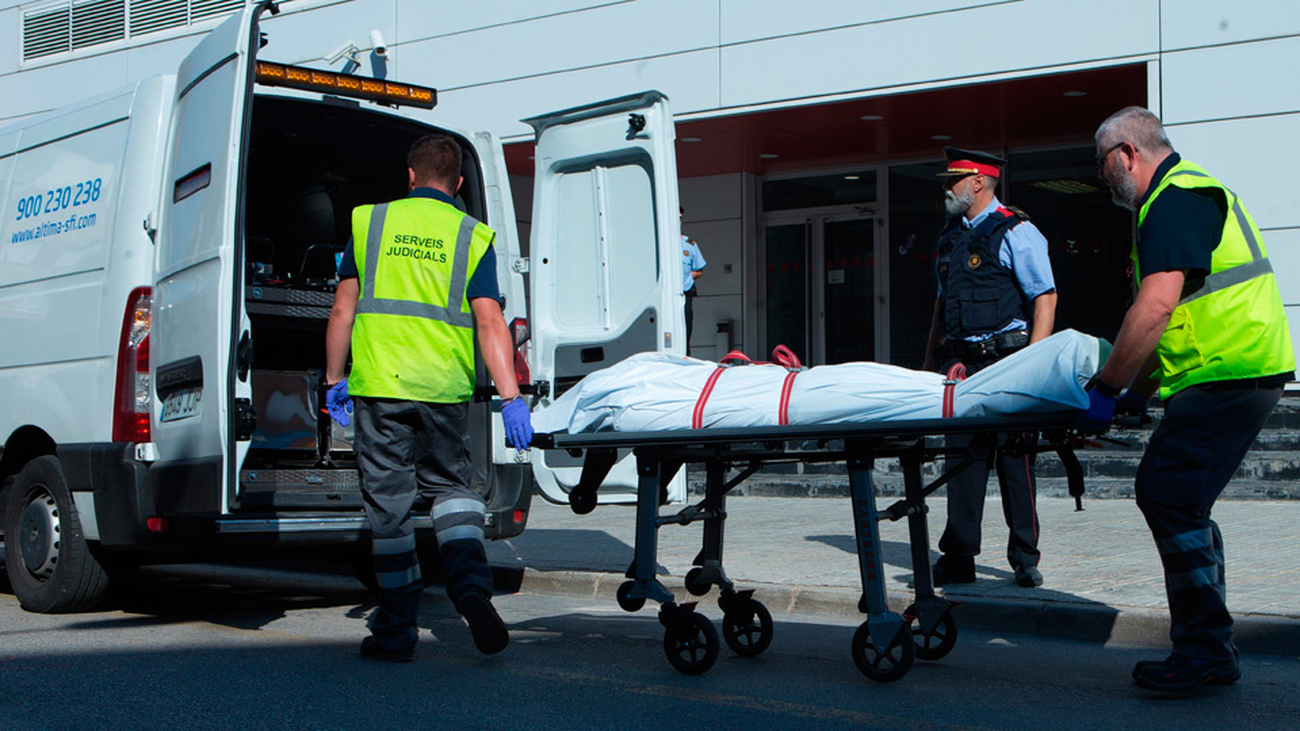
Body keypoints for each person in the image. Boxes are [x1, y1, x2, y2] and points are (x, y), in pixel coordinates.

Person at [1082, 107, 1293, 692]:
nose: (1102, 179)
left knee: (1168, 492)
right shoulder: (1181, 197)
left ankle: (1204, 650)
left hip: (1230, 373)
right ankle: (1209, 646)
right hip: (1235, 371)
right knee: (1183, 499)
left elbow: (1153, 309)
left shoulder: (1177, 197)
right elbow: (1173, 322)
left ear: (1126, 152)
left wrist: (1104, 391)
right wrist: (1135, 393)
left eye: (1102, 165)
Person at [324, 133, 534, 662]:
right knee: (454, 493)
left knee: (390, 511)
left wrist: (332, 380)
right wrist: (510, 397)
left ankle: (396, 629)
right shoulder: (471, 234)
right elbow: (490, 321)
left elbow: (341, 312)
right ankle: (469, 588)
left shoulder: (369, 223)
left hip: (381, 387)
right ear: (459, 183)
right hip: (444, 391)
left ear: (410, 175)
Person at [921, 147, 1058, 589]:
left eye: (952, 181)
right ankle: (959, 556)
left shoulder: (1017, 232)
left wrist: (1033, 363)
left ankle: (1024, 557)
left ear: (978, 182)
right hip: (962, 366)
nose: (946, 189)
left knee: (1015, 462)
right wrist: (928, 362)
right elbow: (941, 305)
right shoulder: (949, 238)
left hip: (1008, 361)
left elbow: (1045, 296)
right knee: (962, 463)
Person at [680, 206, 706, 356]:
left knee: (685, 333)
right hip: (664, 296)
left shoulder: (689, 244)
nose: (678, 222)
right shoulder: (659, 243)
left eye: (680, 219)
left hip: (685, 294)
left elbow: (699, 271)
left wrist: (689, 277)